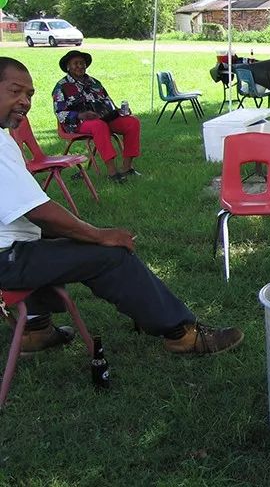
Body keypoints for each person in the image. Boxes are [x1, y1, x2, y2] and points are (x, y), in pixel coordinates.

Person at [0, 57, 243, 356]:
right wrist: (100, 235)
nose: (24, 101)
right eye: (15, 91)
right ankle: (181, 333)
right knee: (109, 253)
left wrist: (83, 232)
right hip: (7, 259)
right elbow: (38, 212)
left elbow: (28, 214)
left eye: (29, 95)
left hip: (11, 248)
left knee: (63, 236)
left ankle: (35, 332)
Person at [53, 50, 140, 183]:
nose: (80, 66)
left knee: (132, 122)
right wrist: (81, 114)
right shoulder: (61, 86)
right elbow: (60, 114)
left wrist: (119, 111)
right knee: (99, 126)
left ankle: (127, 168)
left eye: (82, 63)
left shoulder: (94, 82)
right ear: (68, 67)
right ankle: (112, 172)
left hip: (104, 117)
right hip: (78, 122)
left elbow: (108, 101)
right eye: (75, 63)